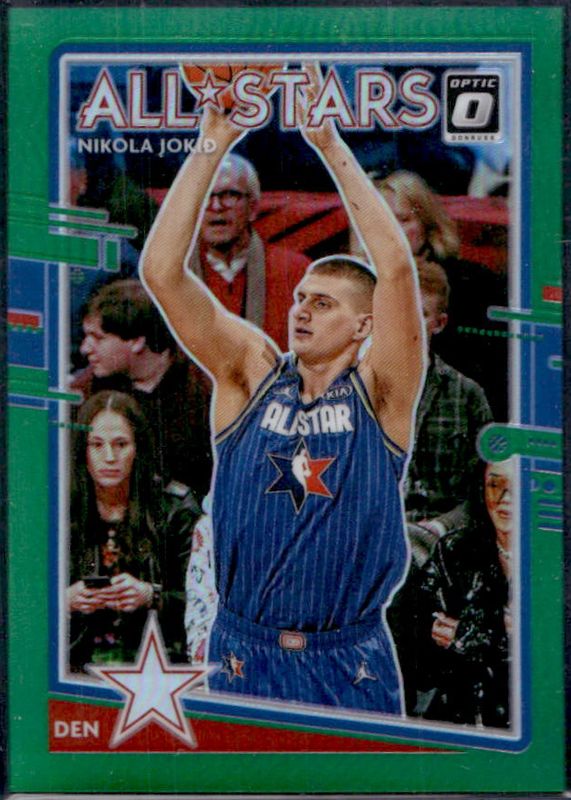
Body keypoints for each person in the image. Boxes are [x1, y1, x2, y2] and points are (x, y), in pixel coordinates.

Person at [140, 63, 426, 713]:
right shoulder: (250, 371)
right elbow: (161, 272)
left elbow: (395, 271)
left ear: (364, 324)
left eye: (322, 303)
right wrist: (213, 138)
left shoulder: (381, 393)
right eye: (299, 298)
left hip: (348, 656)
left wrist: (327, 143)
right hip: (243, 649)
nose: (300, 310)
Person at [67, 391, 201, 671]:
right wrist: (63, 601)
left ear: (137, 447)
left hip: (156, 663)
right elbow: (20, 595)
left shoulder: (175, 508)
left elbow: (204, 600)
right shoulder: (57, 505)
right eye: (96, 444)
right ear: (82, 450)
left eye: (121, 444)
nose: (109, 457)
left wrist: (151, 595)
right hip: (74, 663)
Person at [374, 170, 508, 420]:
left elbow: (494, 370)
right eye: (381, 221)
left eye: (403, 219)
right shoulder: (354, 283)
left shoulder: (473, 282)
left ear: (425, 223)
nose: (392, 231)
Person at [70, 278, 213, 498]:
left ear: (137, 341)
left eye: (98, 338)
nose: (85, 348)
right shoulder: (85, 393)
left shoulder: (204, 394)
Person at [411, 459, 513, 728]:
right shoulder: (453, 551)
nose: (505, 498)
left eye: (519, 486)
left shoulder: (556, 562)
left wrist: (471, 636)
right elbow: (422, 654)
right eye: (495, 484)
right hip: (459, 717)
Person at [404, 260, 493, 563]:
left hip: (445, 545)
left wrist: (438, 529)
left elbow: (486, 491)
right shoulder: (352, 390)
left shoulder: (467, 395)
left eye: (420, 314)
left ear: (439, 323)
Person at [188, 153, 311, 351]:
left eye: (230, 195)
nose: (216, 206)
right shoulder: (174, 271)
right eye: (204, 195)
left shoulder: (295, 271)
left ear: (252, 208)